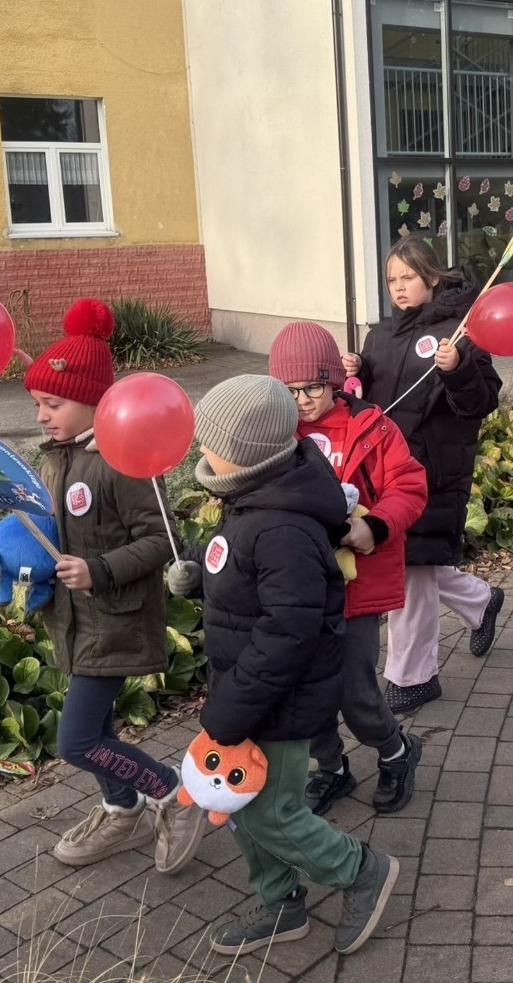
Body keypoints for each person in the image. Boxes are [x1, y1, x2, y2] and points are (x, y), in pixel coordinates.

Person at [0, 300, 203, 871]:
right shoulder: (54, 461)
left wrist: (100, 569)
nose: (41, 415)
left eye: (53, 403)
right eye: (38, 403)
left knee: (76, 742)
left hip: (113, 618)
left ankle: (172, 792)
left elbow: (160, 538)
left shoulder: (122, 458)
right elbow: (44, 532)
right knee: (94, 729)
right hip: (72, 619)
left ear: (94, 401)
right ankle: (122, 810)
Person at [189, 376, 400, 957]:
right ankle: (280, 902)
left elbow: (288, 630)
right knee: (240, 806)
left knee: (271, 813)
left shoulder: (281, 524)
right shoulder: (257, 497)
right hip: (247, 690)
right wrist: (199, 575)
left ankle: (360, 870)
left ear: (244, 451)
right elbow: (249, 582)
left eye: (208, 440)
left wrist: (231, 710)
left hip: (277, 698)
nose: (200, 450)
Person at [268, 322, 428, 817]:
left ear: (334, 380)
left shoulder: (372, 427)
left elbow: (409, 486)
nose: (302, 401)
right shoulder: (274, 435)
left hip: (356, 588)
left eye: (312, 388)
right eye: (290, 392)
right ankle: (331, 767)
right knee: (305, 688)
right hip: (299, 588)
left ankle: (396, 751)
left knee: (355, 692)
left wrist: (375, 528)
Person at [343, 238, 505, 714]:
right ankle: (482, 602)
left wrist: (457, 370)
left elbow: (481, 401)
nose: (399, 288)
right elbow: (371, 400)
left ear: (431, 278)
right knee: (418, 562)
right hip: (383, 470)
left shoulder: (463, 331)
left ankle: (413, 677)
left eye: (408, 278)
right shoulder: (380, 334)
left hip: (430, 470)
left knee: (408, 567)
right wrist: (356, 371)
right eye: (392, 280)